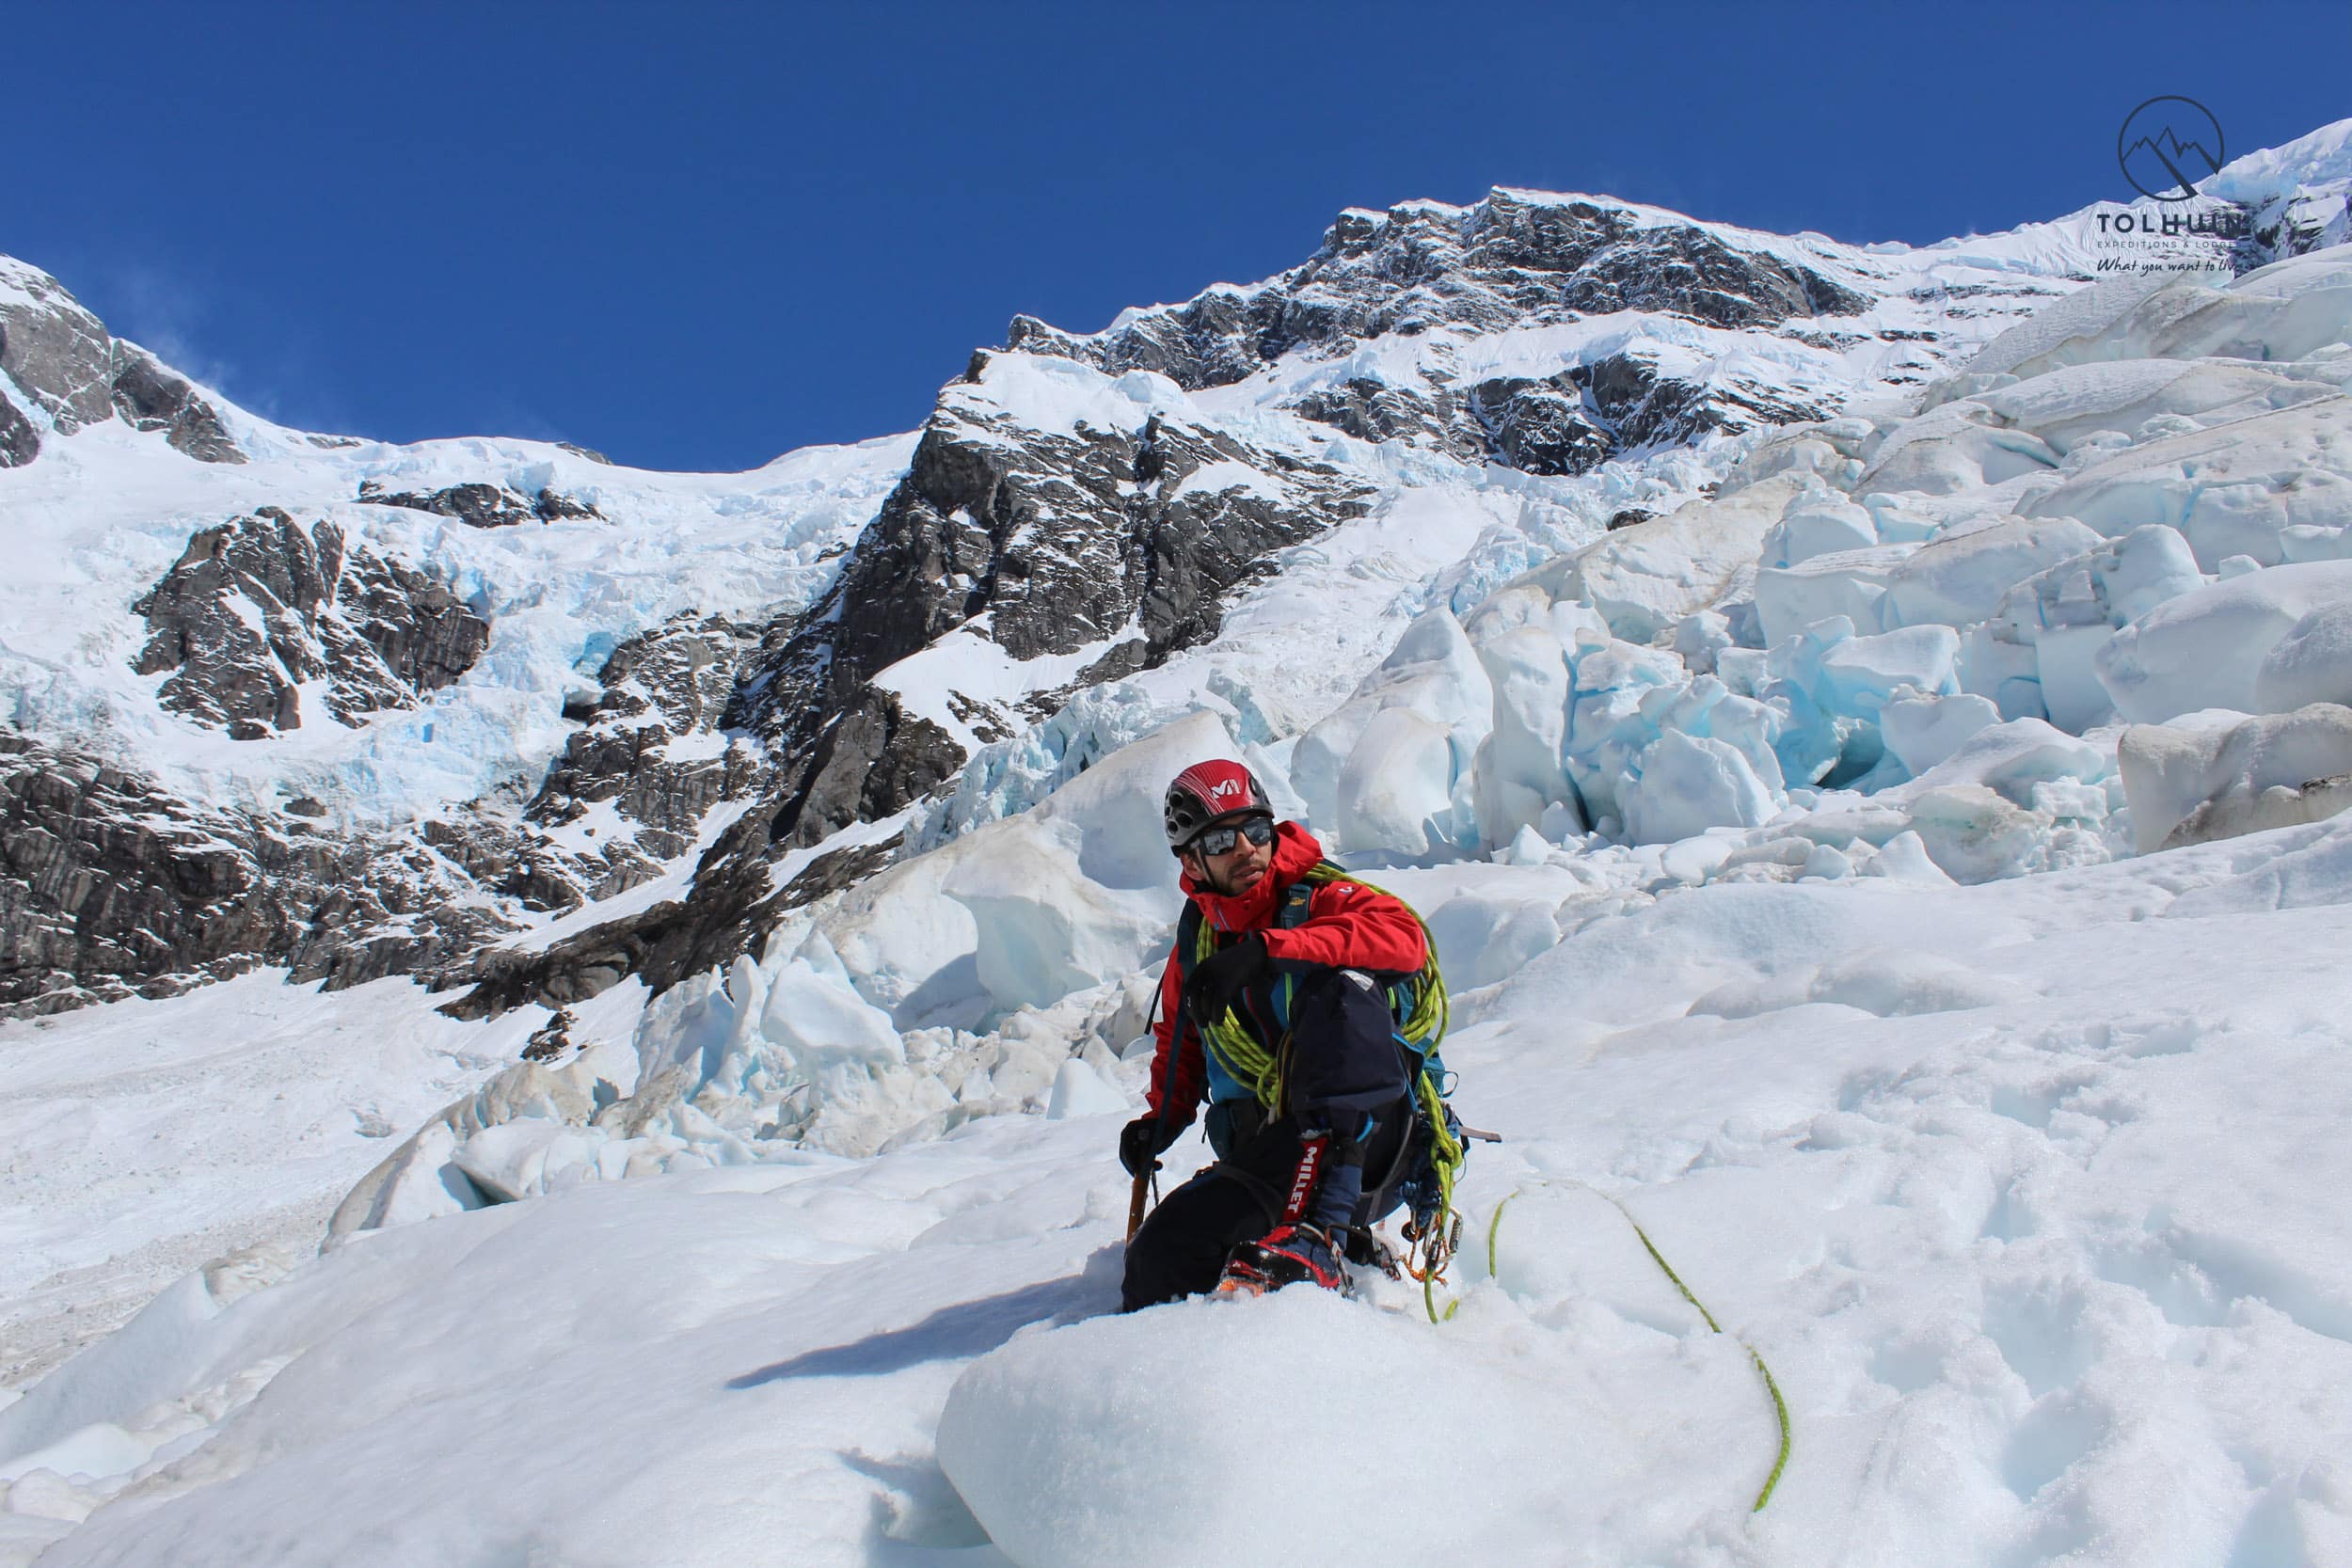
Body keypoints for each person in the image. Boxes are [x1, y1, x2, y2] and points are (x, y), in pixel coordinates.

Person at [1120, 758, 1429, 1310]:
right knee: (1157, 1264)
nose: (1245, 848)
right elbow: (1182, 1039)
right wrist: (1161, 1120)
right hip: (1275, 1152)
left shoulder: (1319, 898)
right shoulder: (1199, 945)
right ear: (1191, 860)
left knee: (1341, 988)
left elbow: (1404, 938)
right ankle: (1337, 1248)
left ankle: (1324, 1237)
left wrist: (1270, 951)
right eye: (1220, 841)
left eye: (1255, 830)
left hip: (1373, 1143)